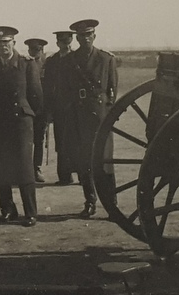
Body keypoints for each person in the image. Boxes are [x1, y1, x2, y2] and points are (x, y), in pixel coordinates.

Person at [0, 26, 43, 227]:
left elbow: (36, 96)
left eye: (6, 42)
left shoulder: (26, 64)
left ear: (14, 43)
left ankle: (30, 213)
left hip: (20, 122)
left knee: (24, 169)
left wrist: (29, 116)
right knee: (1, 169)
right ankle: (7, 210)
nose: (3, 46)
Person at [60, 19, 118, 218]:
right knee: (84, 162)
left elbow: (113, 90)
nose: (85, 38)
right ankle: (90, 201)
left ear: (94, 36)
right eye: (81, 36)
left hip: (101, 117)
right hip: (79, 115)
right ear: (76, 38)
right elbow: (65, 89)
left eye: (89, 35)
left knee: (105, 161)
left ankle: (112, 205)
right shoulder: (70, 60)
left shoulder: (106, 59)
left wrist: (107, 114)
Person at [42, 30, 77, 185]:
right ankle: (64, 176)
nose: (66, 45)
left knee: (77, 141)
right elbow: (48, 87)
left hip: (76, 108)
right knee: (61, 142)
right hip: (59, 108)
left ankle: (82, 175)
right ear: (57, 43)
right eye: (62, 43)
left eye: (68, 42)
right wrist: (49, 110)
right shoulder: (52, 61)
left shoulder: (77, 58)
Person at [25, 38, 48, 183]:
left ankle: (36, 168)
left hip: (41, 109)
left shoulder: (47, 65)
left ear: (42, 50)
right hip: (27, 108)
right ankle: (26, 169)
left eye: (38, 50)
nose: (35, 53)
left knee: (39, 140)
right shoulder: (25, 64)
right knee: (25, 140)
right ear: (28, 50)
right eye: (32, 50)